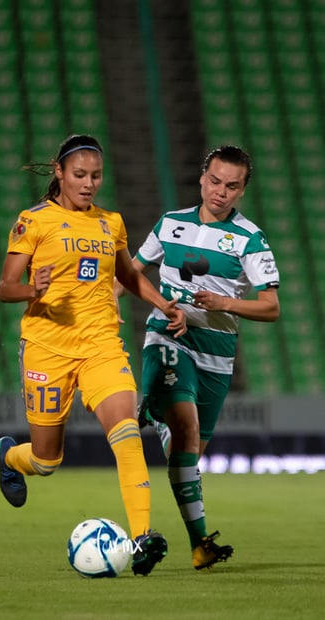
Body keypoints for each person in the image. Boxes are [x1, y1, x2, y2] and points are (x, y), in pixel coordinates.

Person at [0, 134, 186, 576]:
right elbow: (5, 288)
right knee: (45, 461)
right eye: (79, 175)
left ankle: (141, 539)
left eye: (96, 176)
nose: (89, 184)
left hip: (101, 345)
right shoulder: (33, 221)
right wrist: (32, 289)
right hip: (47, 348)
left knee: (126, 433)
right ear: (60, 173)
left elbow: (129, 275)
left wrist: (162, 304)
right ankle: (8, 456)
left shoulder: (110, 222)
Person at [117, 145, 280, 570]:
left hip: (217, 355)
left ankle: (197, 546)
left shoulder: (250, 238)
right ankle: (199, 540)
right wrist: (100, 304)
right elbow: (131, 272)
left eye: (232, 186)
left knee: (187, 453)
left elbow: (270, 307)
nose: (220, 192)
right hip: (168, 335)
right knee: (186, 429)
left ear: (242, 190)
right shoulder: (171, 223)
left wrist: (224, 305)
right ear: (202, 176)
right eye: (215, 181)